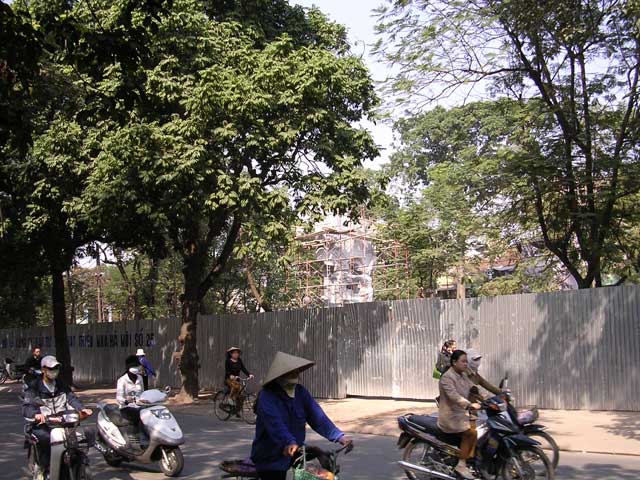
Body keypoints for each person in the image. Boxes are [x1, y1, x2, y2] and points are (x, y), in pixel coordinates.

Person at [251, 352, 352, 480]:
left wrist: (339, 436)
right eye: (291, 373)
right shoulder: (266, 396)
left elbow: (317, 416)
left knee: (323, 471)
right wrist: (289, 441)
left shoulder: (300, 391)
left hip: (296, 450)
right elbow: (275, 424)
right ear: (279, 376)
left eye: (296, 372)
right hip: (270, 456)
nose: (295, 375)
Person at [22, 355, 92, 477]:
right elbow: (27, 406)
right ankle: (43, 468)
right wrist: (36, 414)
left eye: (56, 368)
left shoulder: (61, 384)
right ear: (43, 370)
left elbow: (71, 398)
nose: (54, 371)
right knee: (45, 438)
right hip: (44, 424)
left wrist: (82, 409)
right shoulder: (34, 386)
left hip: (63, 422)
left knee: (80, 437)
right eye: (51, 368)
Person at [437, 350, 481, 480]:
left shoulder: (463, 375)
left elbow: (475, 388)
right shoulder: (446, 377)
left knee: (481, 431)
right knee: (471, 433)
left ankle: (472, 462)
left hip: (462, 414)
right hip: (450, 417)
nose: (465, 364)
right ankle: (461, 465)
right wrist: (469, 405)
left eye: (467, 361)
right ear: (454, 362)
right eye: (463, 361)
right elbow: (454, 396)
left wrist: (491, 399)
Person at [225, 347, 253, 415]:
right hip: (229, 379)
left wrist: (249, 374)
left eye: (237, 352)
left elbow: (243, 368)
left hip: (237, 379)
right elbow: (227, 370)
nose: (236, 354)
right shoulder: (228, 361)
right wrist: (230, 375)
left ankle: (237, 410)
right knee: (236, 386)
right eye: (234, 352)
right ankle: (230, 398)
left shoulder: (239, 360)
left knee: (241, 394)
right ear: (231, 354)